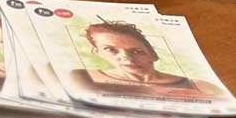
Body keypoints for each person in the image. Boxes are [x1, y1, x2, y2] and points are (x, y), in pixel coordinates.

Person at [73, 23, 204, 97]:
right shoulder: (80, 77)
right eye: (110, 49)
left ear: (153, 55)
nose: (127, 58)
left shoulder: (199, 86)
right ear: (97, 52)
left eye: (137, 52)